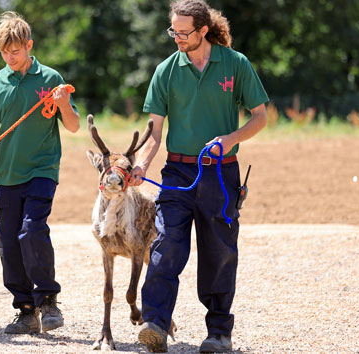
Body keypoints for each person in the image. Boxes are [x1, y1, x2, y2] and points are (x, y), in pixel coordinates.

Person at [129, 0, 268, 352]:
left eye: (183, 32)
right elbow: (154, 132)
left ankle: (218, 332)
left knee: (219, 252)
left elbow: (260, 117)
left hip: (221, 174)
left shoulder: (235, 64)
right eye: (172, 30)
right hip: (176, 172)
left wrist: (231, 139)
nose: (176, 37)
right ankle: (155, 324)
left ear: (203, 31)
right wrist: (142, 164)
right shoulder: (166, 70)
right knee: (165, 246)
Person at [0, 11, 79, 335]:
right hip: (5, 176)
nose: (9, 57)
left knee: (31, 230)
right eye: (4, 52)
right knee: (9, 245)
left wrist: (62, 104)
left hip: (41, 171)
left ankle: (48, 300)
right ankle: (25, 310)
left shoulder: (51, 79)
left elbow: (72, 126)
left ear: (29, 45)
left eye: (15, 51)